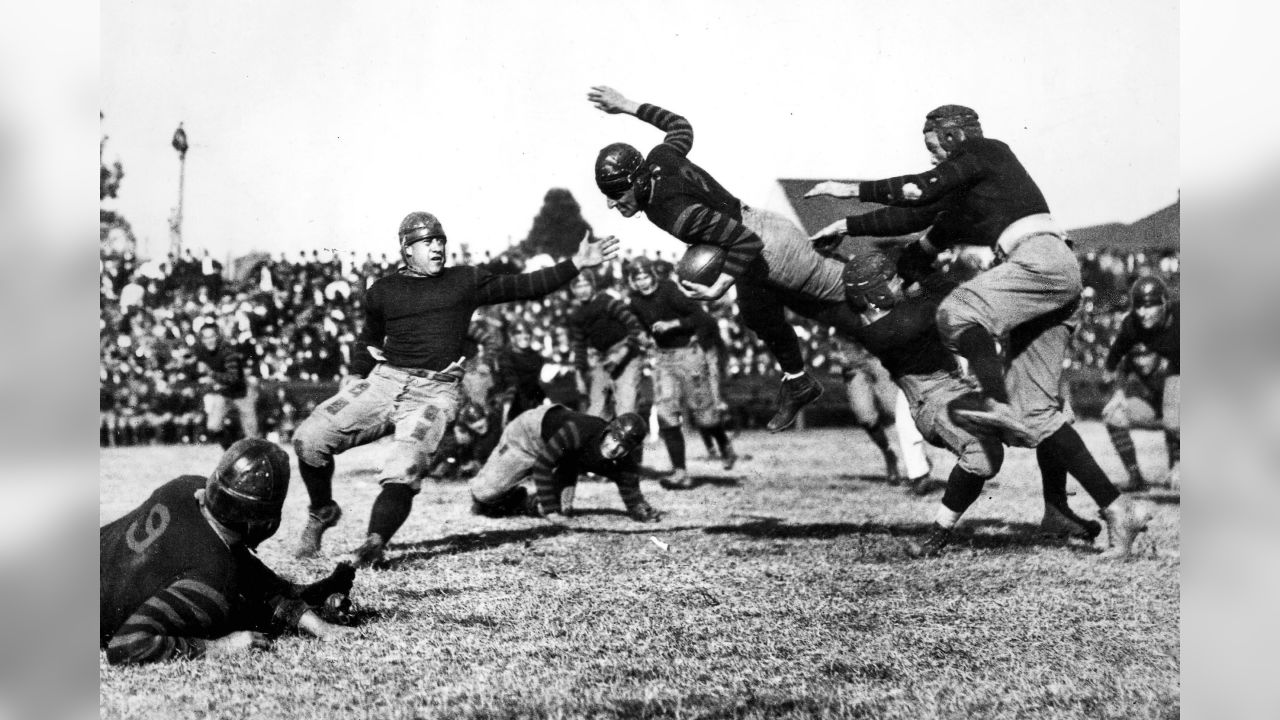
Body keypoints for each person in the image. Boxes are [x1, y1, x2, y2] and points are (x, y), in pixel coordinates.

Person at [291, 212, 618, 566]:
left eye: (440, 240)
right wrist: (356, 374)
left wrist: (575, 264)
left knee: (404, 467)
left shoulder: (464, 280)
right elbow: (369, 339)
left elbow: (524, 285)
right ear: (406, 249)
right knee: (309, 438)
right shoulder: (383, 290)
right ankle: (322, 511)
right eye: (427, 241)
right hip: (385, 381)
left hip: (434, 390)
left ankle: (374, 542)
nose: (437, 247)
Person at [588, 85, 868, 433]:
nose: (613, 204)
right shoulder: (659, 158)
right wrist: (628, 106)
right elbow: (680, 126)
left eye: (616, 193)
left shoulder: (670, 211)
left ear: (637, 181)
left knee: (851, 295)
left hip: (767, 247)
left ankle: (908, 290)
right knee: (756, 314)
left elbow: (744, 241)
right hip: (758, 233)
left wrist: (719, 285)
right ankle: (798, 382)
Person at [838, 249, 1148, 558]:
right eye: (891, 280)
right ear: (872, 292)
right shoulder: (889, 325)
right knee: (983, 456)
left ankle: (1056, 511)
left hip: (960, 384)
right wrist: (924, 271)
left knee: (1051, 409)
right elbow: (950, 301)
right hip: (931, 397)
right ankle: (937, 536)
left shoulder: (907, 308)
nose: (899, 283)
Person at [807, 104, 1078, 448]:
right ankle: (1085, 501)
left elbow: (919, 190)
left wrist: (846, 190)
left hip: (1038, 258)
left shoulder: (983, 150)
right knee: (1041, 415)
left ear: (954, 136)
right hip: (1050, 265)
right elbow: (913, 216)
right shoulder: (977, 184)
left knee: (957, 310)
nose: (934, 160)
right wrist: (846, 226)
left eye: (934, 149)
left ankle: (997, 402)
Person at [100, 439, 356, 665]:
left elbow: (243, 567)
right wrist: (217, 648)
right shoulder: (214, 576)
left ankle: (312, 596)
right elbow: (127, 645)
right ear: (261, 524)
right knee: (234, 613)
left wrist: (317, 624)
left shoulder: (184, 487)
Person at [625, 257, 736, 487]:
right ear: (632, 281)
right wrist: (642, 336)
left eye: (645, 276)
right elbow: (636, 326)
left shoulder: (670, 291)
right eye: (638, 278)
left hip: (688, 354)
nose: (643, 282)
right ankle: (680, 471)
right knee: (666, 415)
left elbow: (701, 318)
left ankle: (723, 444)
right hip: (664, 359)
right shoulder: (635, 301)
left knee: (704, 415)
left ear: (653, 275)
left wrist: (673, 324)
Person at [469, 407, 660, 523]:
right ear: (608, 430)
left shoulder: (622, 459)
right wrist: (551, 512)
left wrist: (641, 511)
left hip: (565, 457)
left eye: (623, 447)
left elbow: (630, 489)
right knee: (486, 493)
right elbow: (542, 466)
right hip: (529, 435)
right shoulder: (579, 431)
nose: (615, 448)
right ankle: (491, 498)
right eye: (614, 439)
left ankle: (522, 501)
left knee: (563, 510)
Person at [1102, 276, 1180, 491]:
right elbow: (1112, 360)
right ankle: (1136, 477)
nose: (1143, 313)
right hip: (1155, 403)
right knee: (1114, 416)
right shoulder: (1132, 327)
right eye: (1139, 306)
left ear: (1165, 303)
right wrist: (1117, 392)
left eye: (1151, 305)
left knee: (1175, 418)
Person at [567, 269, 647, 420]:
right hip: (604, 359)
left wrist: (622, 353)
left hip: (627, 355)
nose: (583, 290)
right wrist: (578, 376)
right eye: (578, 286)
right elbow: (580, 346)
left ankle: (632, 442)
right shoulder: (577, 315)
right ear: (573, 290)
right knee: (596, 413)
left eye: (586, 285)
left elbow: (635, 326)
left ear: (593, 285)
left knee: (626, 409)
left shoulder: (607, 302)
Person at [194, 323, 259, 449]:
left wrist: (210, 373)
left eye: (212, 336)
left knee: (251, 435)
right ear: (202, 340)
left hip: (241, 393)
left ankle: (254, 456)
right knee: (213, 426)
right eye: (205, 338)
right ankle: (230, 451)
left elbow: (233, 378)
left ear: (218, 337)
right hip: (224, 393)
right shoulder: (202, 352)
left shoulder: (228, 352)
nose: (209, 340)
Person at [495, 323, 547, 423]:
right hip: (514, 404)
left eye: (527, 333)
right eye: (519, 333)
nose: (524, 336)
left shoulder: (536, 356)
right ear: (511, 336)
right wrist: (506, 411)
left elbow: (538, 382)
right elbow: (511, 383)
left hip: (535, 403)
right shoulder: (505, 357)